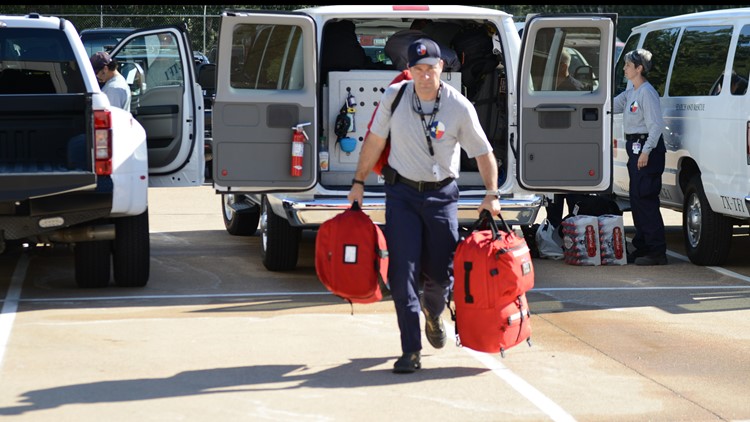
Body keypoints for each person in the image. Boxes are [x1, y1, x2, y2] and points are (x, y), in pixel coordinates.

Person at [348, 38, 501, 373]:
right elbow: (374, 141)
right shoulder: (395, 96)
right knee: (402, 275)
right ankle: (411, 351)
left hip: (441, 197)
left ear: (440, 68)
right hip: (401, 195)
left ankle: (433, 312)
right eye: (417, 69)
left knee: (440, 276)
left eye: (430, 69)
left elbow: (483, 153)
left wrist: (492, 193)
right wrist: (358, 182)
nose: (424, 76)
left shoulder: (459, 106)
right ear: (410, 70)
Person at [613, 49, 667, 266]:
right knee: (636, 198)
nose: (625, 68)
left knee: (646, 199)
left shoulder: (647, 93)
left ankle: (656, 251)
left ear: (639, 68)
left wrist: (646, 151)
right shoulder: (631, 92)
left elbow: (656, 126)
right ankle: (642, 245)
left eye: (628, 65)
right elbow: (611, 104)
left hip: (647, 149)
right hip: (634, 147)